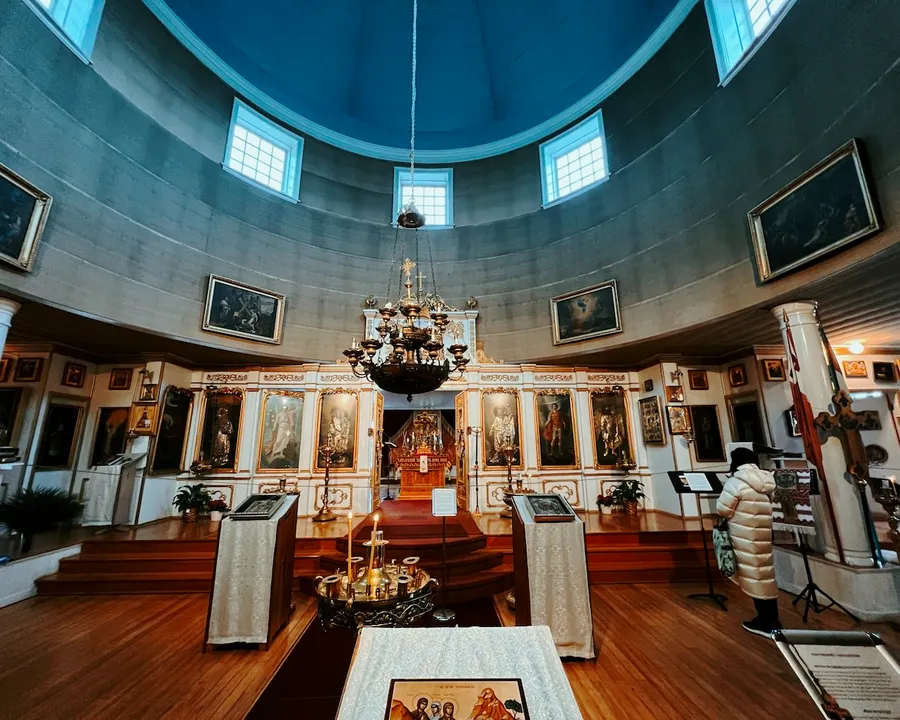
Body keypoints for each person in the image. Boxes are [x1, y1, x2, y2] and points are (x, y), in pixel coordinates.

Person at [716, 446, 781, 636]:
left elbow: (723, 509)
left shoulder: (736, 482)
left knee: (754, 575)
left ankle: (766, 622)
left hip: (744, 534)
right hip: (763, 533)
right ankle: (772, 618)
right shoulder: (766, 479)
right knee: (764, 574)